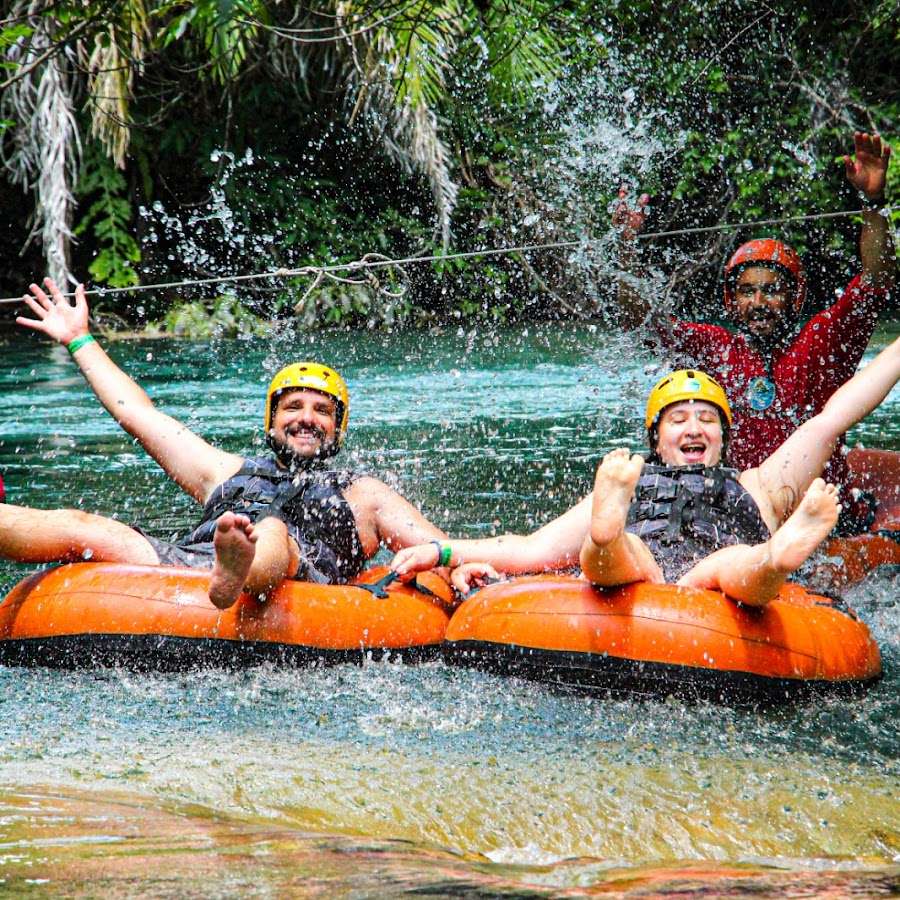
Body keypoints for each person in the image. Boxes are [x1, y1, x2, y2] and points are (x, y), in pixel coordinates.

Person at [0, 278, 447, 608]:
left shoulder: (365, 493)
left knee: (272, 532)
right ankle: (228, 565)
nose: (306, 419)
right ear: (272, 424)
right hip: (194, 561)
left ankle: (240, 568)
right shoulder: (226, 471)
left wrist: (462, 568)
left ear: (338, 429)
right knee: (84, 526)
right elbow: (137, 414)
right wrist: (79, 339)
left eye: (322, 411)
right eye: (293, 408)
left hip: (296, 574)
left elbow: (434, 549)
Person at [391, 337, 900, 605]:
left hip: (715, 570)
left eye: (707, 419)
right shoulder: (630, 478)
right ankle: (608, 535)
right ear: (655, 438)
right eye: (678, 419)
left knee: (736, 564)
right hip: (644, 568)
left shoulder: (759, 484)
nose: (694, 427)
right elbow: (531, 549)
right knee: (614, 550)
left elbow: (835, 416)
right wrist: (444, 550)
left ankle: (777, 558)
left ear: (725, 437)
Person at [615, 132, 896, 533]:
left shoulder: (822, 340)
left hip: (820, 517)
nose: (759, 302)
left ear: (795, 298)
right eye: (747, 291)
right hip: (743, 512)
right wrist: (626, 248)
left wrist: (872, 204)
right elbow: (641, 321)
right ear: (732, 301)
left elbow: (876, 280)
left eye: (771, 290)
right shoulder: (713, 346)